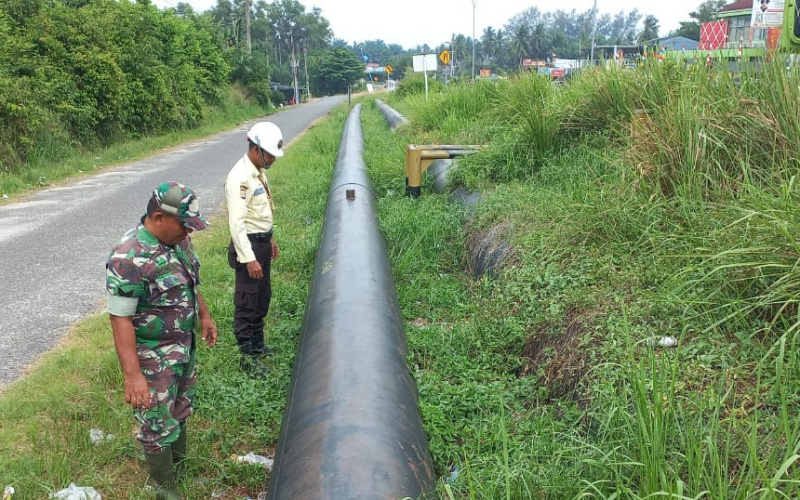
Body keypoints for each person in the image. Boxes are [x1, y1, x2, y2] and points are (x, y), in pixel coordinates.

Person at [106, 181, 217, 500]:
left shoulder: (178, 242)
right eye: (185, 225)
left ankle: (179, 471)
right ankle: (164, 489)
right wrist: (133, 376)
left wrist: (204, 316)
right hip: (151, 355)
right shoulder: (129, 257)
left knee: (180, 407)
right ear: (158, 218)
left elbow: (190, 283)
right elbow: (120, 318)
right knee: (156, 420)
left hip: (183, 345)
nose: (189, 232)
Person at [225, 121, 284, 377]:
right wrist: (248, 258)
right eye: (270, 153)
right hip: (248, 245)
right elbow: (237, 223)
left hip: (261, 242)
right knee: (247, 299)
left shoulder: (258, 171)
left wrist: (269, 237)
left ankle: (258, 346)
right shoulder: (239, 177)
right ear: (256, 148)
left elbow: (259, 212)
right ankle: (247, 356)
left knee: (263, 296)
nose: (272, 158)